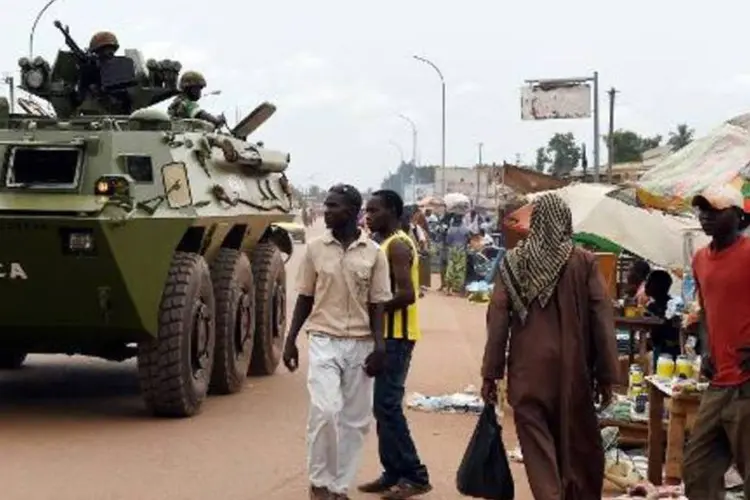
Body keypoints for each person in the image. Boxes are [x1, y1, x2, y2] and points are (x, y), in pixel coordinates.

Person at [481, 193, 619, 500]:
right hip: (573, 371)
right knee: (574, 445)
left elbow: (498, 320)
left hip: (528, 372)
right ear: (566, 223)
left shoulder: (513, 262)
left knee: (537, 448)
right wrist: (607, 373)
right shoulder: (583, 261)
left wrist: (491, 373)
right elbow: (601, 317)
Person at [282, 184, 392, 500]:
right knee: (325, 410)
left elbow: (377, 304)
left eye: (333, 206)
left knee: (355, 421)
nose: (326, 211)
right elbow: (304, 296)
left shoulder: (374, 254)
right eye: (326, 205)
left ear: (351, 212)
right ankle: (319, 482)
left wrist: (380, 347)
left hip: (360, 343)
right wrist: (290, 340)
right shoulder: (316, 249)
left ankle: (339, 486)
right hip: (323, 339)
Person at [359, 190, 432, 499]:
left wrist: (374, 307)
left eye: (374, 210)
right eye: (366, 210)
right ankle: (392, 472)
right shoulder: (384, 243)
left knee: (387, 406)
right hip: (387, 335)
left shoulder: (398, 246)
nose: (368, 215)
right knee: (382, 407)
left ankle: (415, 475)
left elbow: (407, 294)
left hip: (397, 337)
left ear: (391, 210)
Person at [682, 186, 750, 499]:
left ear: (737, 216)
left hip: (747, 383)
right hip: (719, 381)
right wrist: (706, 347)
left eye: (714, 210)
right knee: (697, 469)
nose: (705, 217)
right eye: (701, 210)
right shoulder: (700, 260)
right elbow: (707, 310)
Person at [643, 270, 681, 371]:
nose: (646, 285)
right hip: (668, 349)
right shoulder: (671, 304)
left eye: (649, 281)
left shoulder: (655, 307)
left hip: (664, 350)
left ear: (657, 286)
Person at [442, 214, 471, 294]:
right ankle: (459, 290)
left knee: (450, 269)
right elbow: (469, 239)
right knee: (460, 270)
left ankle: (448, 289)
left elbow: (447, 241)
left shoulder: (450, 229)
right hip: (462, 250)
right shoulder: (465, 229)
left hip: (452, 250)